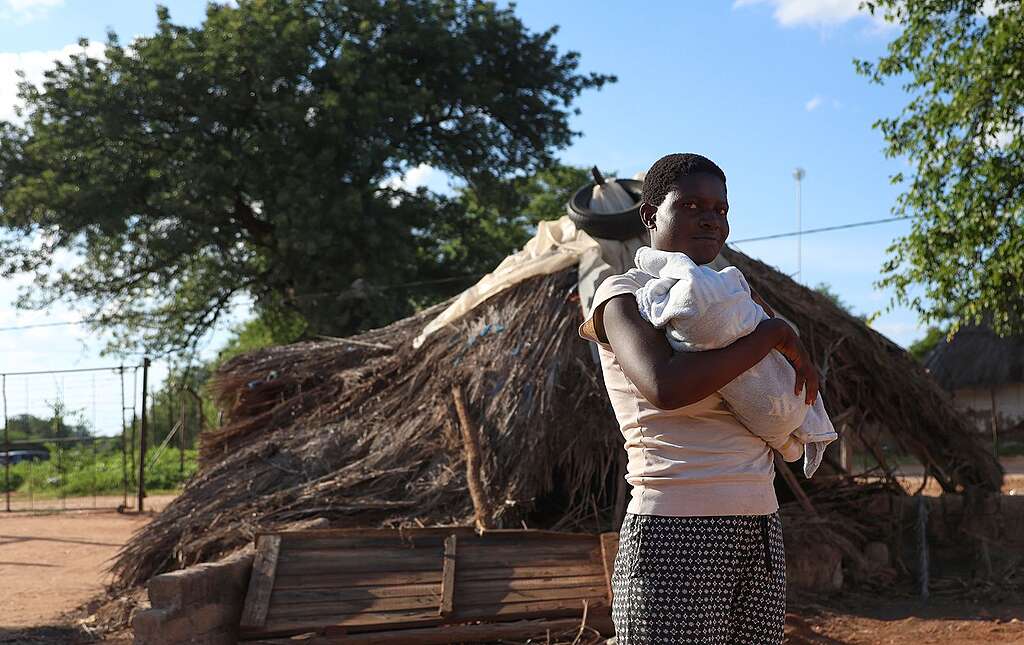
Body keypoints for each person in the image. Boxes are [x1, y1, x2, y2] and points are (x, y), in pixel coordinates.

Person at [578, 153, 820, 644]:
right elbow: (665, 386)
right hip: (674, 530)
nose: (711, 217)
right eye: (690, 205)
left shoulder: (734, 300)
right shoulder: (621, 297)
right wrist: (771, 332)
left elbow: (780, 381)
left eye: (720, 208)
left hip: (759, 526)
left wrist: (770, 333)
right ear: (650, 216)